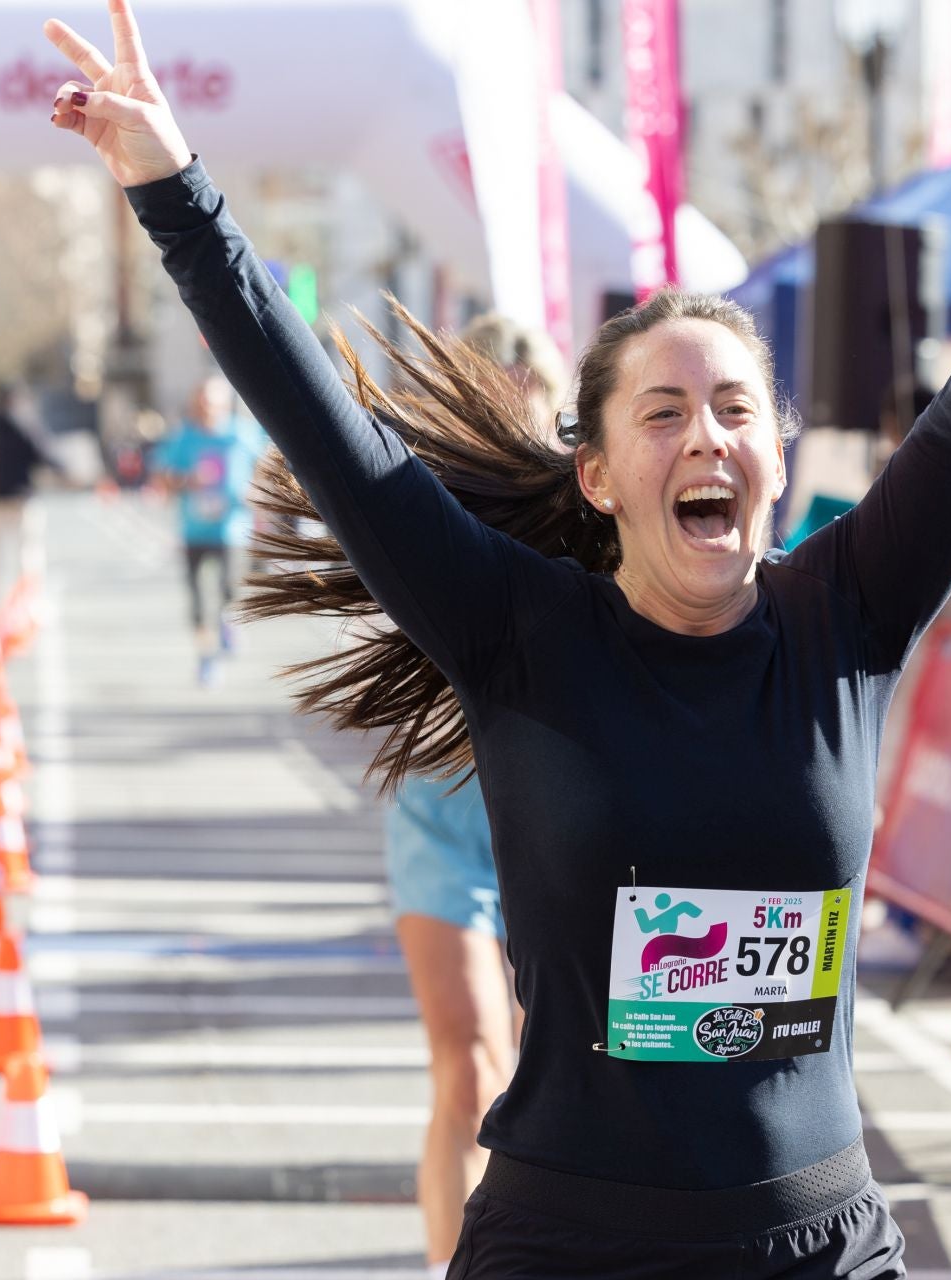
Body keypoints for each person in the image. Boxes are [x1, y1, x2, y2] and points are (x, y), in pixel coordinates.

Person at [44, 0, 951, 1271]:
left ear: (776, 455)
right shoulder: (518, 630)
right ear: (600, 474)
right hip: (570, 1243)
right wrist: (174, 188)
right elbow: (325, 422)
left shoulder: (848, 617)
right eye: (662, 413)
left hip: (815, 1244)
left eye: (733, 408)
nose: (706, 437)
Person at [366, 313, 563, 1277]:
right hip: (443, 819)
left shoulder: (595, 510)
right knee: (472, 1064)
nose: (515, 405)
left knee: (548, 1081)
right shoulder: (419, 504)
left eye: (531, 391)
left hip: (558, 824)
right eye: (497, 388)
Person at [148, 375, 266, 686]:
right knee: (199, 601)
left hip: (232, 531)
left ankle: (227, 623)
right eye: (201, 404)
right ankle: (206, 659)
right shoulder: (184, 437)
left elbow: (271, 464)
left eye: (212, 404)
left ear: (225, 405)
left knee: (228, 591)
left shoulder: (243, 434)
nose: (206, 410)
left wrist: (256, 492)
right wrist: (187, 481)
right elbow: (161, 476)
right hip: (194, 531)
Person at [0, 383, 60, 607]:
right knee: (28, 553)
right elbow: (42, 453)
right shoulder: (25, 423)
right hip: (22, 497)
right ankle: (28, 603)